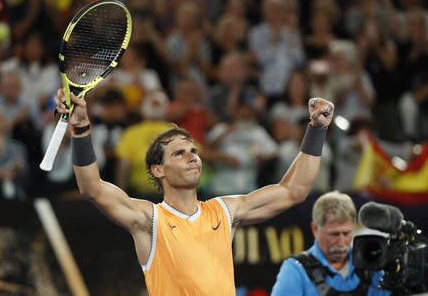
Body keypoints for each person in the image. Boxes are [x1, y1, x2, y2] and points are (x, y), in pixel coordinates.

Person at [53, 86, 334, 295]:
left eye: (193, 151)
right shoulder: (149, 220)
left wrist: (317, 130)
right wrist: (80, 128)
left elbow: (294, 191)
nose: (192, 156)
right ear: (158, 170)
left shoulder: (225, 211)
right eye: (179, 154)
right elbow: (91, 188)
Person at [270, 191, 390, 296]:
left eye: (347, 233)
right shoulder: (296, 270)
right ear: (315, 229)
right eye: (334, 234)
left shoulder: (371, 266)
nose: (342, 242)